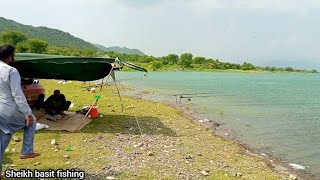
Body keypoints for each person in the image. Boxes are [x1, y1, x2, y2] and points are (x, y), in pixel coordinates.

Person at [0, 45, 40, 176]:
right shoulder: (11, 71)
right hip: (9, 109)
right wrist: (27, 113)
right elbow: (17, 94)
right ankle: (27, 150)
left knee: (3, 138)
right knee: (32, 120)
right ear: (10, 56)